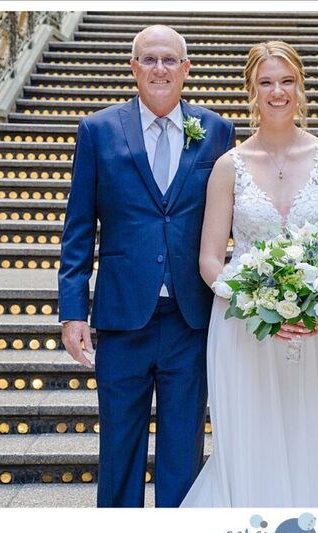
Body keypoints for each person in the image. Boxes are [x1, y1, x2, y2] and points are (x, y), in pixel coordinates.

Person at [58, 25, 235, 507]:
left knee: (184, 450)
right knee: (119, 449)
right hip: (121, 317)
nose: (160, 68)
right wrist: (73, 311)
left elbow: (232, 219)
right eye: (150, 59)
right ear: (133, 68)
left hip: (190, 317)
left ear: (186, 69)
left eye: (170, 60)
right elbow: (78, 229)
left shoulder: (217, 131)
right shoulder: (97, 131)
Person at [180, 40, 318, 507]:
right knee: (251, 438)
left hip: (316, 327)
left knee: (311, 436)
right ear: (251, 92)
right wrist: (255, 305)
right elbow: (210, 260)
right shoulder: (228, 166)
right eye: (266, 83)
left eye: (286, 81)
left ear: (300, 88)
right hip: (244, 328)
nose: (277, 92)